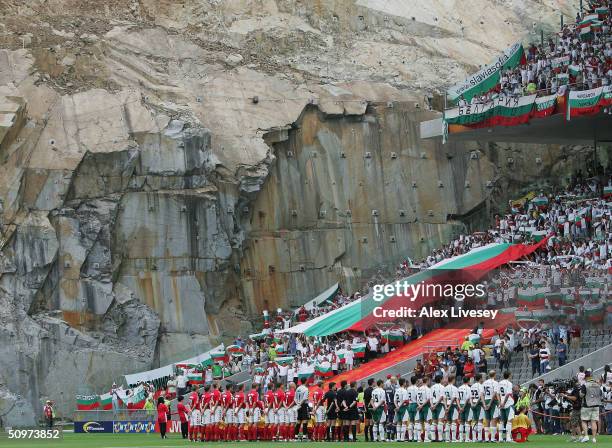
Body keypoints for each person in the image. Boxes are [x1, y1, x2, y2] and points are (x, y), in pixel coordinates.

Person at [580, 369, 602, 443]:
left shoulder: (585, 385)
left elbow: (581, 395)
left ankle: (586, 436)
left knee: (583, 420)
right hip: (596, 405)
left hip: (587, 405)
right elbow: (600, 394)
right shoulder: (597, 384)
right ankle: (594, 438)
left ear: (586, 377)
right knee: (593, 421)